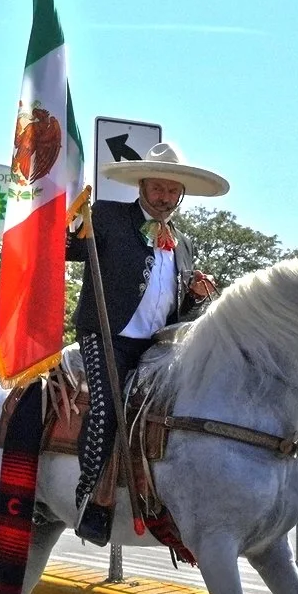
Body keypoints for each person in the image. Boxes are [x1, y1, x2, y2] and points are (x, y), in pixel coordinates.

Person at [67, 142, 228, 544]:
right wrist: (68, 215)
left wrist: (193, 294)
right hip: (106, 336)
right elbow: (67, 250)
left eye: (174, 191)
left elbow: (176, 307)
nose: (165, 198)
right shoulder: (105, 216)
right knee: (108, 407)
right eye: (159, 188)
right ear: (142, 185)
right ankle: (90, 497)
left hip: (158, 345)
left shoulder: (183, 242)